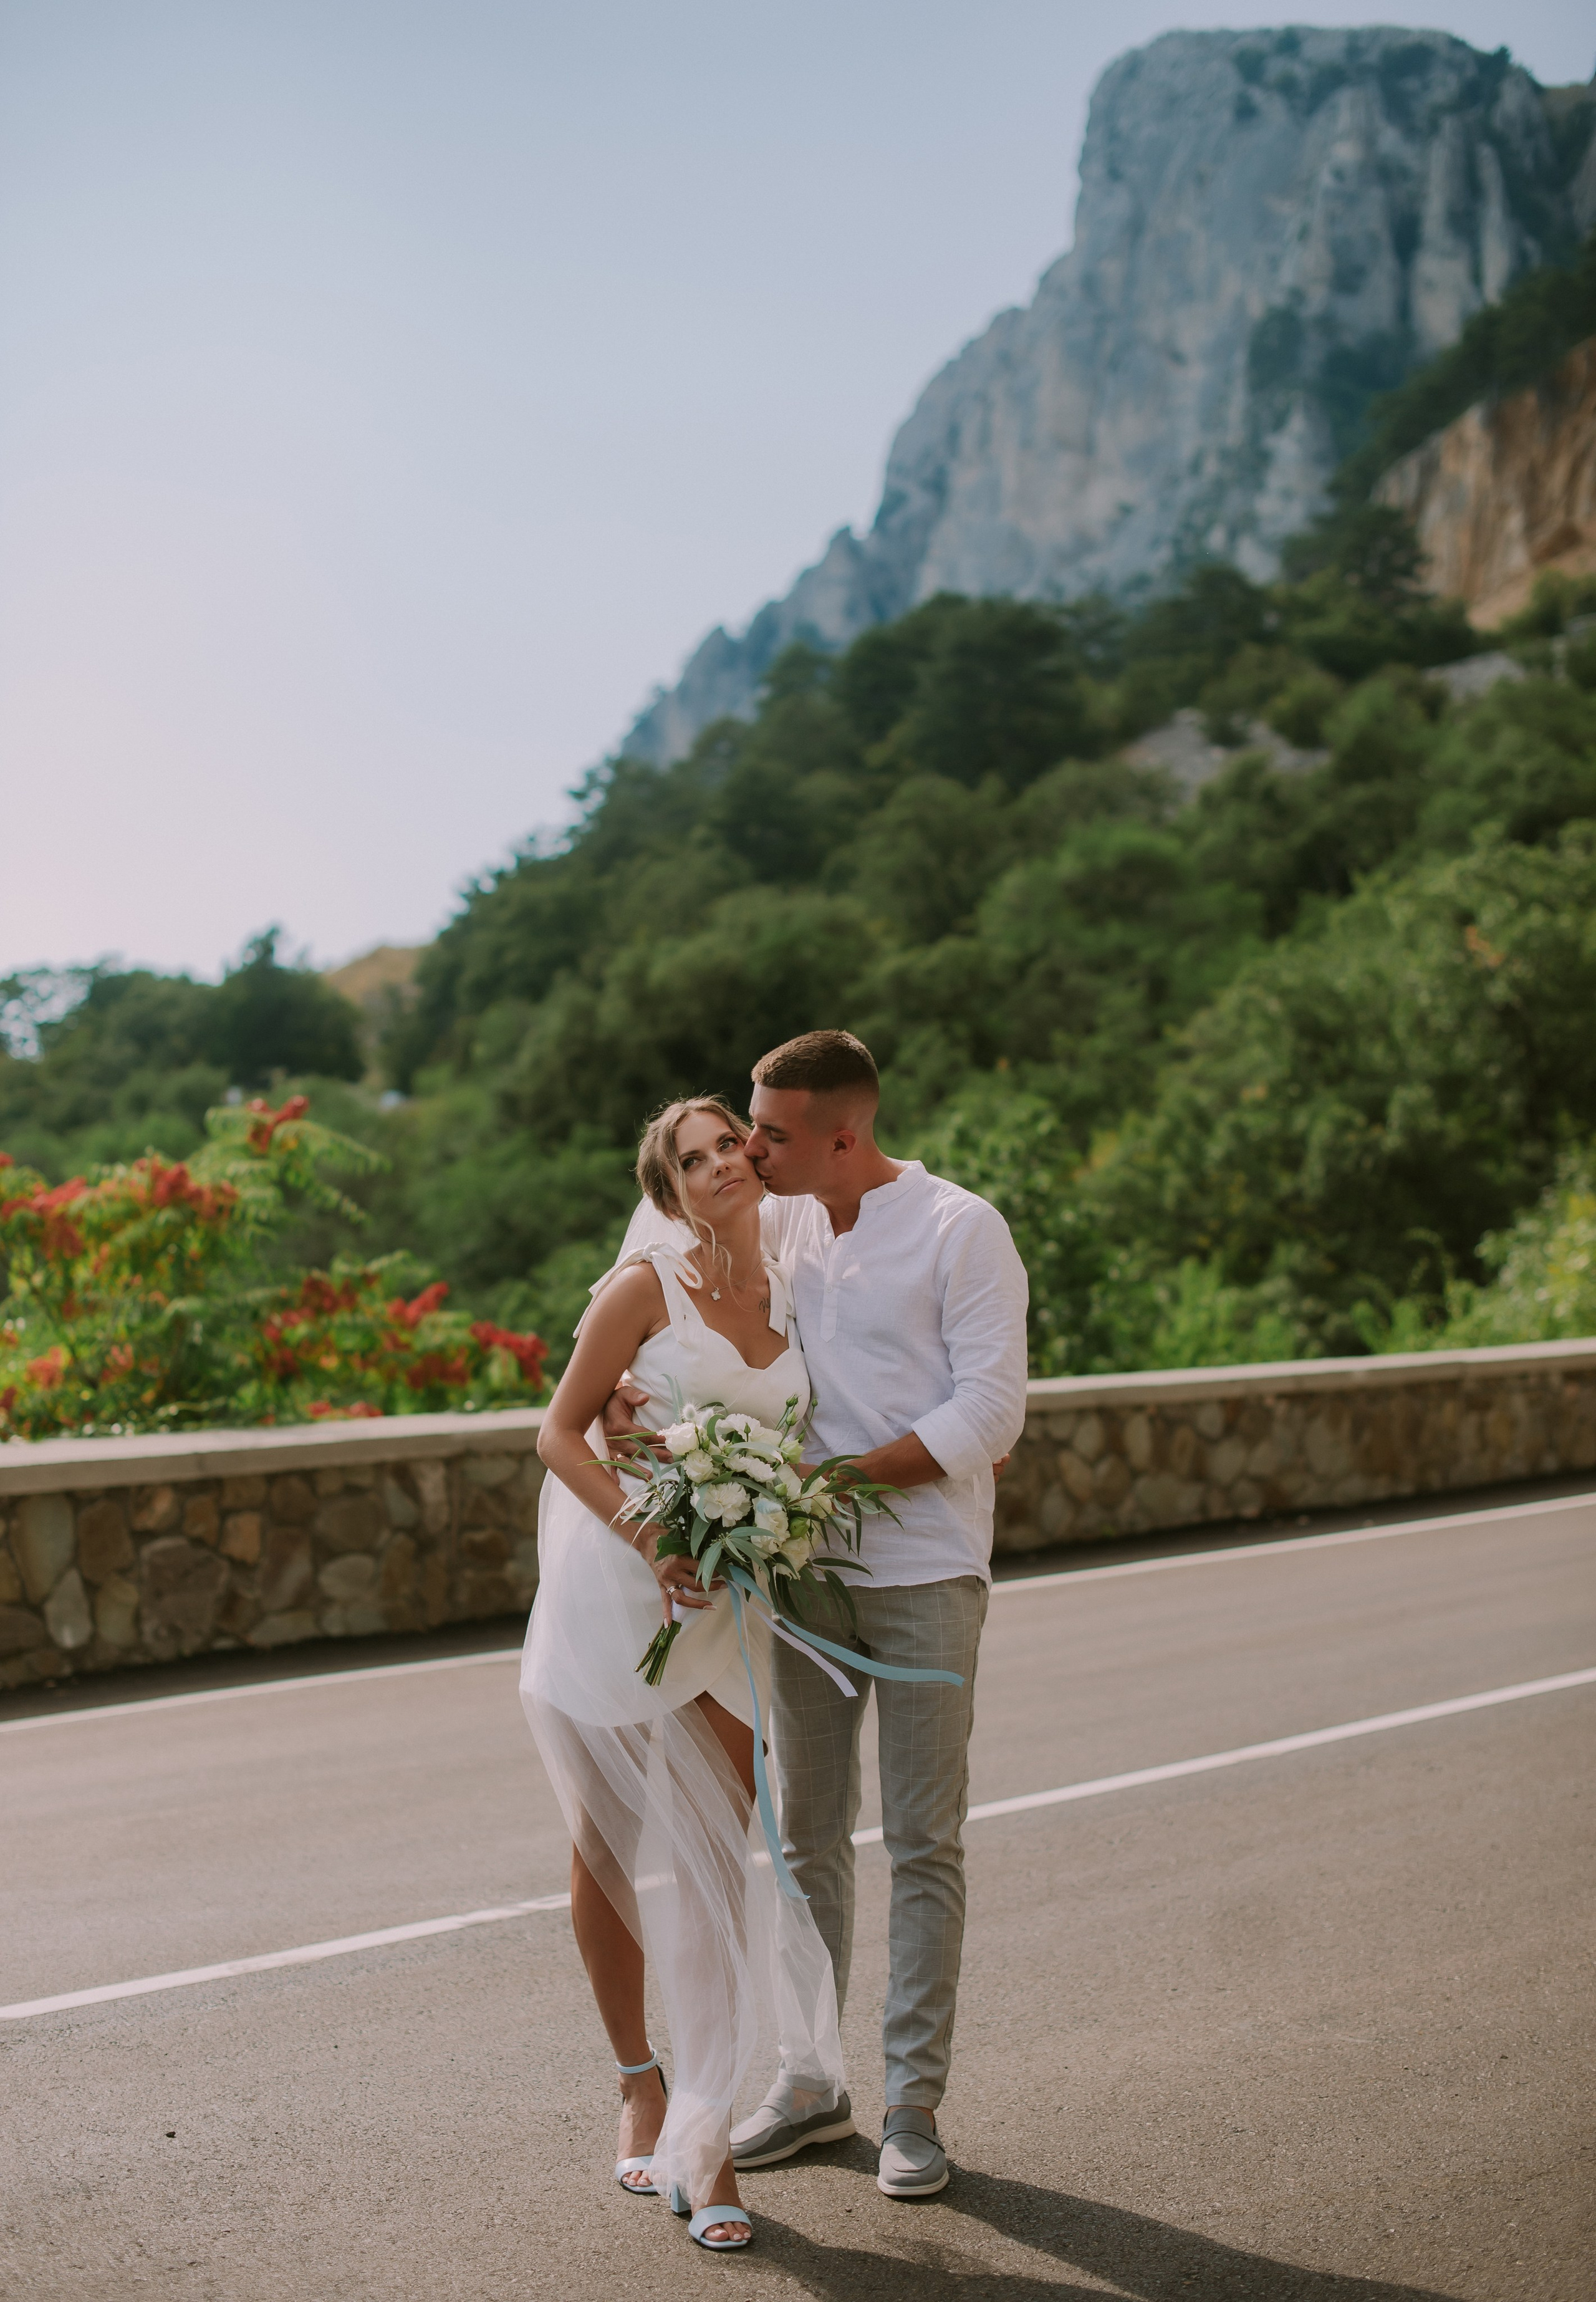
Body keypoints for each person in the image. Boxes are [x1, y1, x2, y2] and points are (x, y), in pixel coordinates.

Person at [606, 1031, 1029, 2201]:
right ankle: (808, 2080)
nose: (749, 1148)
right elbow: (686, 1303)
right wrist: (639, 1401)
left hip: (930, 1572)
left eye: (772, 1131)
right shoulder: (781, 1217)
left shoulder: (961, 1228)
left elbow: (989, 1412)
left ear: (845, 1135)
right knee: (802, 1845)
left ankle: (912, 2106)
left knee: (924, 1841)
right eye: (746, 1126)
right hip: (797, 1581)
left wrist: (833, 1487)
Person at [520, 1097, 845, 2254]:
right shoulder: (640, 1289)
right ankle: (637, 2080)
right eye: (692, 1159)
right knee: (606, 1844)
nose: (719, 1167)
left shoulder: (794, 1281)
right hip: (627, 1586)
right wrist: (651, 1533)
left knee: (716, 1861)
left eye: (729, 1147)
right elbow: (561, 1432)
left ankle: (703, 2138)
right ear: (663, 1190)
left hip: (729, 1604)